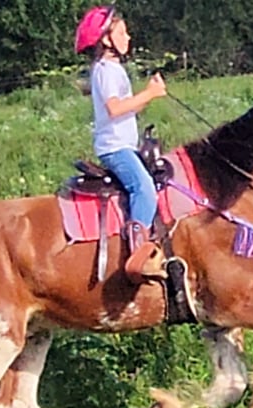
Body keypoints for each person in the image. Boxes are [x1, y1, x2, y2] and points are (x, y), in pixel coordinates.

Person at [75, 5, 168, 284]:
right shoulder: (105, 70)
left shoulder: (113, 69)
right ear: (106, 40)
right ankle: (139, 255)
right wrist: (150, 94)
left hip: (124, 144)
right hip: (115, 148)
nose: (128, 38)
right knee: (144, 188)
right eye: (122, 32)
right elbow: (115, 109)